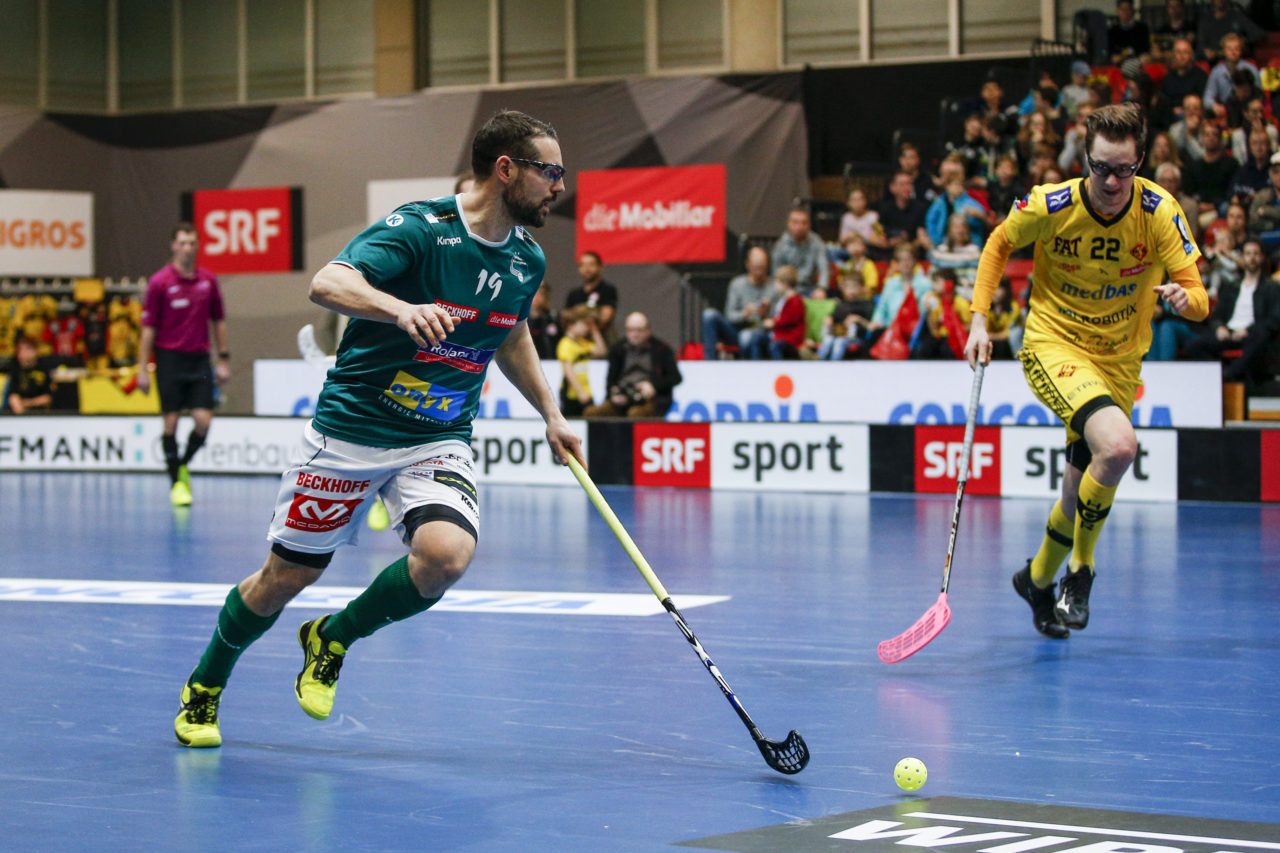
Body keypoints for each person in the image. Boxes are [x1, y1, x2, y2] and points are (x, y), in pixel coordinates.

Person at [172, 109, 582, 749]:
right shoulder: (421, 229)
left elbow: (512, 330)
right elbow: (327, 281)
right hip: (353, 432)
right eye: (549, 171)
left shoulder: (526, 257)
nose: (560, 185)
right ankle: (206, 684)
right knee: (283, 580)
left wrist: (552, 415)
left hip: (438, 436)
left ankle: (333, 636)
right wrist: (401, 309)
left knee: (445, 559)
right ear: (506, 170)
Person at [963, 102, 1209, 640]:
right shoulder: (1052, 204)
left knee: (1079, 486)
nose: (1113, 180)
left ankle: (1036, 579)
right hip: (1055, 344)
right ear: (1085, 160)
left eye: (1125, 168)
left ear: (1140, 161)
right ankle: (1081, 571)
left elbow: (1199, 298)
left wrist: (1182, 301)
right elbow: (999, 242)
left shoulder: (1159, 212)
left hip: (1119, 360)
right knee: (1118, 447)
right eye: (1101, 167)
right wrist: (979, 321)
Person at [136, 222, 231, 507]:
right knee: (171, 423)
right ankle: (177, 483)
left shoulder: (208, 281)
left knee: (203, 421)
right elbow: (148, 329)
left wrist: (223, 358)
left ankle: (182, 466)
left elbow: (219, 321)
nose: (188, 248)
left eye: (193, 243)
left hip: (199, 359)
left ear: (197, 246)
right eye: (183, 243)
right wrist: (142, 368)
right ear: (173, 245)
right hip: (169, 360)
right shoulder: (159, 283)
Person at [1184, 237, 1280, 383]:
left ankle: (1228, 374)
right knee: (1193, 345)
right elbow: (1216, 316)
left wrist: (1247, 331)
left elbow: (1273, 319)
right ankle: (1219, 373)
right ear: (1242, 257)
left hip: (1252, 336)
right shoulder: (1232, 286)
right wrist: (1219, 327)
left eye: (1255, 254)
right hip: (1229, 333)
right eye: (1248, 254)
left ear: (1261, 258)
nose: (1252, 258)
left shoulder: (1270, 287)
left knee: (1262, 336)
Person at [583, 312, 681, 418]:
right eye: (631, 330)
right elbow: (610, 380)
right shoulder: (618, 349)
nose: (634, 334)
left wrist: (653, 386)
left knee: (635, 414)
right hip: (623, 399)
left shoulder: (661, 350)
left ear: (648, 331)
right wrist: (614, 395)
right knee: (592, 413)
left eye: (639, 330)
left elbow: (675, 377)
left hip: (650, 400)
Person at [701, 245, 776, 359]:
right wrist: (744, 314)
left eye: (762, 268)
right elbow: (729, 315)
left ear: (768, 266)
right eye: (756, 268)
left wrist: (766, 314)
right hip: (735, 331)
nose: (759, 272)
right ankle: (710, 364)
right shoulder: (737, 284)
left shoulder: (774, 287)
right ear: (748, 265)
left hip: (760, 333)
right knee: (709, 315)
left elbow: (780, 319)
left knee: (746, 337)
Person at [556, 305, 606, 417]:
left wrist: (594, 330)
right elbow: (568, 371)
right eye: (583, 324)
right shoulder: (565, 344)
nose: (586, 328)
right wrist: (580, 392)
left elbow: (601, 351)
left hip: (586, 391)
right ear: (571, 325)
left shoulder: (582, 343)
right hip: (572, 394)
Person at [771, 206, 829, 296]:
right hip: (787, 288)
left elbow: (824, 267)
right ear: (788, 224)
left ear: (809, 225)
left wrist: (821, 288)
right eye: (795, 222)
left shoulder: (816, 242)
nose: (799, 226)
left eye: (804, 223)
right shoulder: (780, 245)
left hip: (810, 288)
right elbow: (776, 273)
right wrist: (786, 290)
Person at [565, 250, 619, 346]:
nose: (587, 269)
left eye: (591, 265)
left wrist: (579, 314)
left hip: (602, 340)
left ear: (600, 267)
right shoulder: (573, 294)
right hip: (577, 341)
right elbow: (566, 319)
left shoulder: (607, 290)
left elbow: (605, 318)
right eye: (583, 265)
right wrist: (591, 314)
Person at [816, 270, 874, 360]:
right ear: (843, 289)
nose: (851, 290)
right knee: (827, 340)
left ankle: (835, 367)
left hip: (857, 338)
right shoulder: (841, 305)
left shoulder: (867, 304)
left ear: (861, 287)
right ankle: (817, 364)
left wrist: (859, 320)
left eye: (854, 287)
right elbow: (834, 319)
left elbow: (871, 327)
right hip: (840, 334)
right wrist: (829, 320)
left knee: (839, 342)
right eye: (848, 287)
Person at [1203, 33, 1261, 119]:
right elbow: (1207, 98)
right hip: (1226, 110)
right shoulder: (1216, 71)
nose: (1233, 52)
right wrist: (1214, 106)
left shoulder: (1251, 69)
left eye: (1236, 48)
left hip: (1248, 110)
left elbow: (1259, 94)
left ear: (1241, 50)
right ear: (1223, 51)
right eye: (1229, 49)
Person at [878, 171, 932, 255]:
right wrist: (888, 243)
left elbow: (922, 235)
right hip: (889, 252)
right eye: (902, 184)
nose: (907, 188)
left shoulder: (920, 208)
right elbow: (879, 231)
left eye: (909, 184)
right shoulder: (885, 208)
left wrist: (908, 247)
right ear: (892, 187)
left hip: (913, 253)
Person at [760, 265, 806, 360]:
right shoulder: (782, 300)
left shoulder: (795, 301)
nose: (774, 285)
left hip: (790, 340)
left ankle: (778, 370)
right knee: (757, 340)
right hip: (779, 337)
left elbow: (788, 320)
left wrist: (773, 323)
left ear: (785, 283)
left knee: (775, 346)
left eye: (776, 282)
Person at [1196, 0, 1265, 64]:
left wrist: (1244, 41)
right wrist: (1205, 52)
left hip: (1237, 62)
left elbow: (1259, 34)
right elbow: (1200, 46)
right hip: (1214, 62)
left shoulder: (1237, 16)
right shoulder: (1205, 21)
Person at [5, 336, 54, 414]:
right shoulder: (15, 369)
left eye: (27, 349)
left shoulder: (43, 369)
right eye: (20, 349)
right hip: (18, 409)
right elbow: (12, 395)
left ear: (35, 351)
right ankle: (23, 423)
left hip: (37, 408)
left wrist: (29, 403)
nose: (23, 352)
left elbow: (48, 397)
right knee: (14, 400)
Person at [1160, 38, 1209, 111]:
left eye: (1185, 52)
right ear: (1174, 54)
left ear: (1191, 55)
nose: (1181, 56)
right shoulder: (1168, 77)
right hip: (1170, 116)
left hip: (1193, 114)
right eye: (1178, 52)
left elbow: (1203, 103)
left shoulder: (1201, 76)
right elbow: (1163, 102)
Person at [527, 282, 559, 359]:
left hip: (551, 362)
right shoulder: (521, 321)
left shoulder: (553, 319)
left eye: (541, 293)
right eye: (535, 293)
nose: (538, 297)